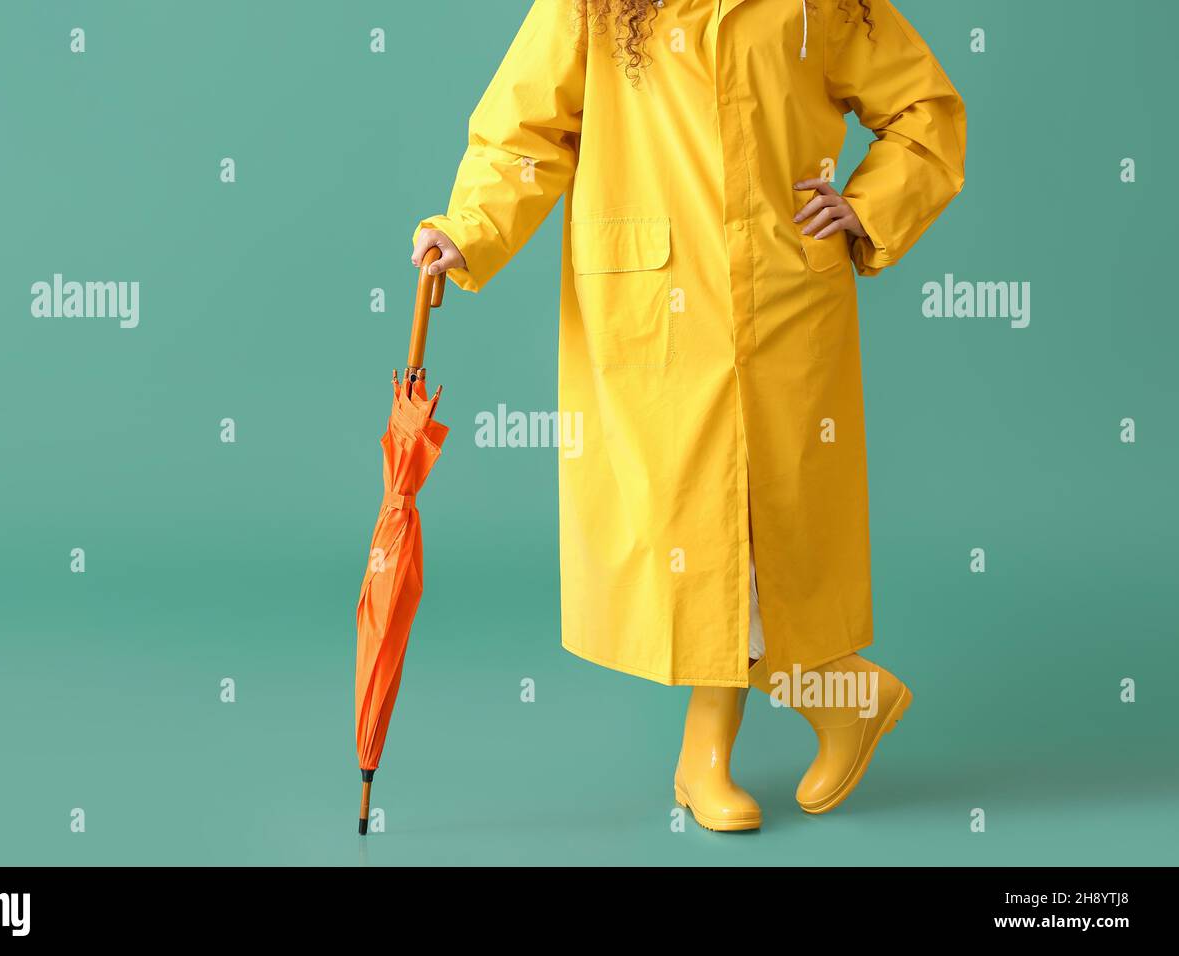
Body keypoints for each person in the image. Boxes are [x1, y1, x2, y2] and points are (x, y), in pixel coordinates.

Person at [411, 0, 965, 831]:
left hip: (783, 294)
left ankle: (712, 751)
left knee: (761, 522)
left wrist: (869, 205)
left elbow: (924, 112)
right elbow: (525, 129)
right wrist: (469, 228)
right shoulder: (592, 6)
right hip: (653, 307)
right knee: (692, 531)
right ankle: (840, 696)